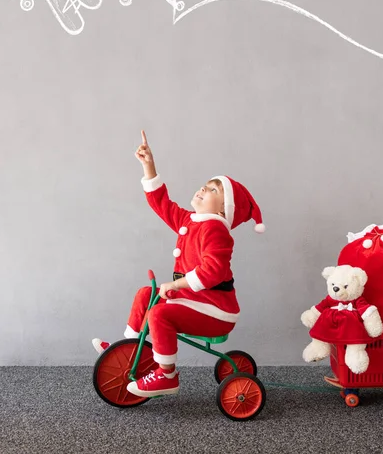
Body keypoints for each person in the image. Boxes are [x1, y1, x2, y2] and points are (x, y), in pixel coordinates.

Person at [92, 130, 265, 397]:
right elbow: (162, 204)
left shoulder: (216, 230)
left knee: (159, 313)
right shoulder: (189, 221)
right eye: (205, 185)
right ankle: (127, 349)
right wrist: (149, 166)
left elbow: (212, 271)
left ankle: (167, 375)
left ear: (223, 209)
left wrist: (176, 283)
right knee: (145, 295)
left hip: (216, 311)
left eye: (212, 190)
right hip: (192, 300)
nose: (202, 189)